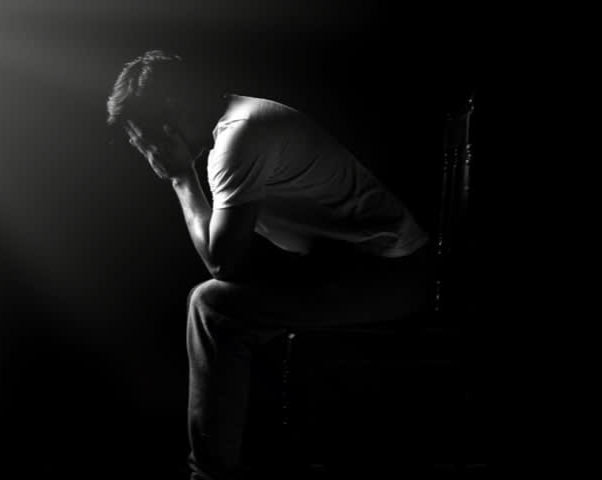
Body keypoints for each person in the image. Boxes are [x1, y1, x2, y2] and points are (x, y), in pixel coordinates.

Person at [106, 50, 433, 480]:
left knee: (211, 306)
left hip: (394, 276)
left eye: (145, 138)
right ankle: (252, 456)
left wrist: (182, 178)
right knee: (218, 307)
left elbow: (222, 263)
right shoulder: (237, 123)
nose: (146, 150)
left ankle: (210, 476)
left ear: (173, 113)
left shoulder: (239, 135)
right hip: (348, 268)